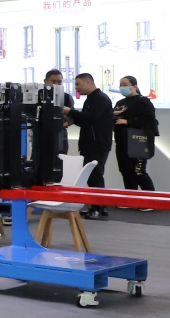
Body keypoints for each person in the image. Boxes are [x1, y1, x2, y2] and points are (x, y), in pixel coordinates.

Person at [65, 73, 114, 220]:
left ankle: (98, 208)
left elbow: (88, 119)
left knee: (95, 176)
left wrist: (70, 111)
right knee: (92, 176)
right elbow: (84, 121)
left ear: (88, 82)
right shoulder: (92, 99)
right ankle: (98, 207)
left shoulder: (100, 99)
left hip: (97, 143)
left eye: (78, 84)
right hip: (91, 143)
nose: (76, 88)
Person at [113, 76, 158, 198]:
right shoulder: (120, 103)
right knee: (125, 171)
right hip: (121, 142)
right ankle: (131, 199)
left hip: (138, 142)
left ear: (134, 87)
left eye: (125, 85)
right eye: (120, 85)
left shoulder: (143, 101)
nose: (122, 87)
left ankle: (151, 200)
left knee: (138, 172)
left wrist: (128, 122)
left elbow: (150, 121)